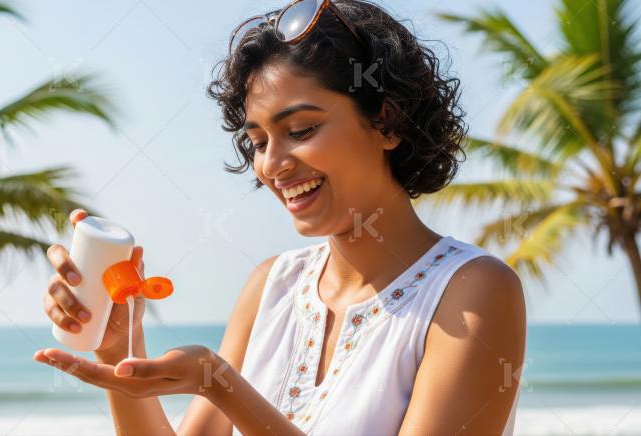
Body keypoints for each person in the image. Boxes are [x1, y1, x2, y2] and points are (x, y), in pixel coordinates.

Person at [34, 1, 526, 434]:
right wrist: (118, 349)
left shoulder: (473, 291)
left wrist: (224, 387)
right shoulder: (273, 284)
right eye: (259, 142)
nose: (272, 164)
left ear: (387, 122)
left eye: (301, 129)